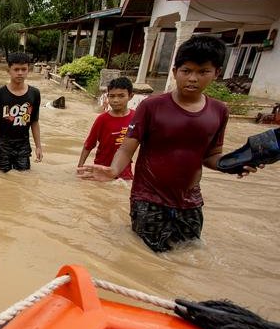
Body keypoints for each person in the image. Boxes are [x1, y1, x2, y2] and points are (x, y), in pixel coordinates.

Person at [77, 36, 260, 252]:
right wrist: (113, 170)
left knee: (188, 257)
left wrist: (233, 164)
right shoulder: (151, 106)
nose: (193, 78)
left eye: (203, 72)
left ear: (216, 73)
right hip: (148, 198)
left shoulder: (219, 111)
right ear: (175, 72)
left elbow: (212, 155)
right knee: (145, 257)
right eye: (186, 71)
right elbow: (127, 147)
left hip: (190, 200)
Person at [0, 52, 42, 172]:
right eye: (16, 69)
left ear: (29, 70)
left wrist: (38, 146)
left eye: (24, 69)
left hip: (23, 144)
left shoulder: (34, 94)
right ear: (9, 70)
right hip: (4, 143)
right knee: (3, 176)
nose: (20, 73)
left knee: (23, 176)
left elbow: (34, 121)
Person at [78, 77, 136, 180]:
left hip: (125, 174)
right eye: (112, 96)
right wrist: (80, 168)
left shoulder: (136, 118)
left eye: (121, 96)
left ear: (131, 96)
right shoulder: (102, 119)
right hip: (101, 171)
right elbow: (89, 144)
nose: (115, 100)